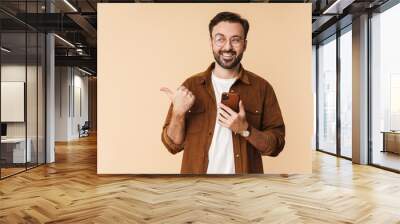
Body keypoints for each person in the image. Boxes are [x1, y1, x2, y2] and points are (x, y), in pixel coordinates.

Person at [160, 11, 285, 174]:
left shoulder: (262, 88)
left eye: (235, 40)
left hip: (243, 190)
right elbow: (172, 145)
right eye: (220, 39)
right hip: (198, 190)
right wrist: (178, 113)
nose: (227, 47)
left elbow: (276, 146)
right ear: (211, 42)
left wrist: (245, 130)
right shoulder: (191, 86)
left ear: (245, 44)